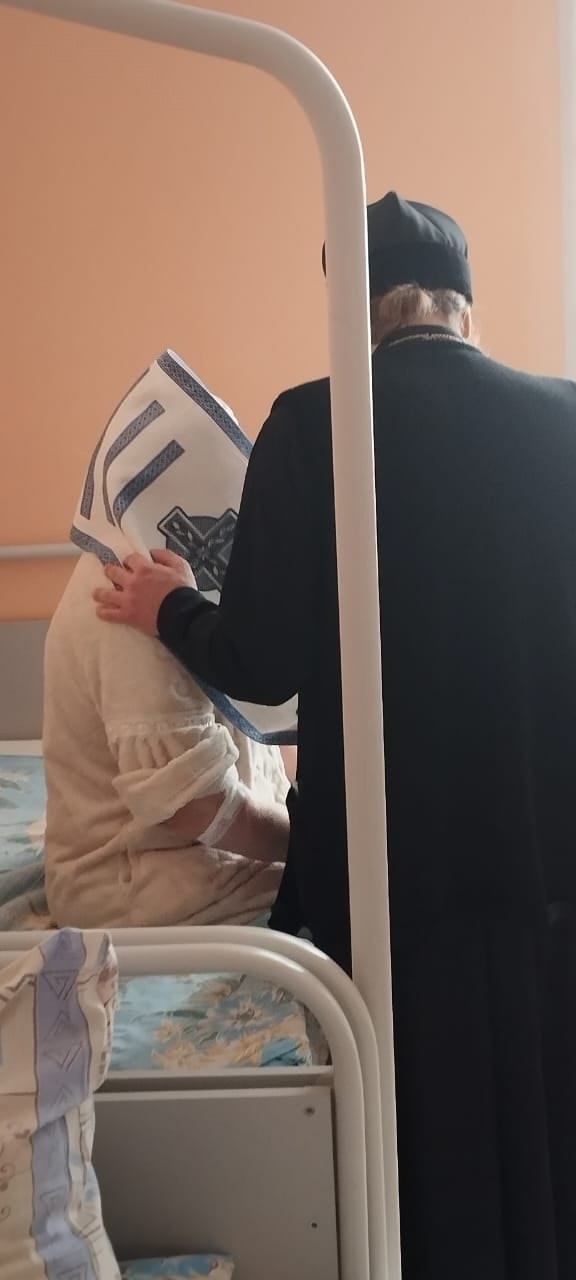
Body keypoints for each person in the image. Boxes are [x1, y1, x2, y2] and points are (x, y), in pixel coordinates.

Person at [94, 192, 576, 1279]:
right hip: (550, 856)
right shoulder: (565, 416)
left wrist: (171, 607)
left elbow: (261, 661)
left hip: (397, 872)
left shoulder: (315, 423)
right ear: (464, 305)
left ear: (359, 310)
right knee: (549, 1111)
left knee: (424, 1141)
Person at [43, 359, 292, 933]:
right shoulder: (127, 597)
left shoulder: (191, 581)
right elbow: (192, 807)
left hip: (212, 852)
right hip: (141, 883)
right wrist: (308, 845)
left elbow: (263, 719)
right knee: (374, 893)